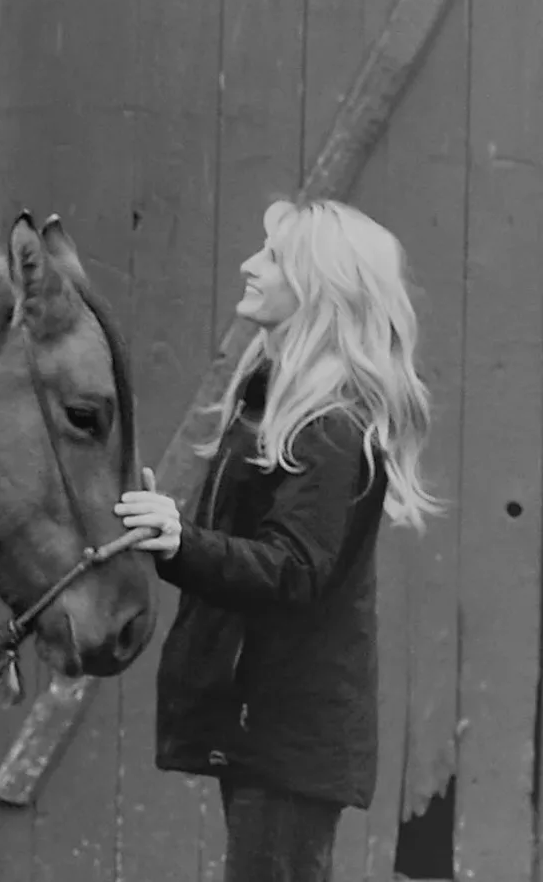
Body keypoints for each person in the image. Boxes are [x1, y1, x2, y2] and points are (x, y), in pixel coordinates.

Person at [114, 197, 443, 882]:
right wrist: (175, 538)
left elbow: (294, 569)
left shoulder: (330, 428)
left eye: (272, 258)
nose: (249, 265)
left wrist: (181, 544)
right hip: (264, 724)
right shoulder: (276, 408)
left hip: (289, 734)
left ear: (317, 286)